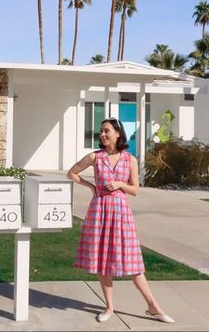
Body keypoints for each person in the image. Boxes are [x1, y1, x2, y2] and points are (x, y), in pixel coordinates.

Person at [67, 117, 175, 324]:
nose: (102, 134)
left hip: (121, 214)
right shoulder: (94, 157)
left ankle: (153, 306)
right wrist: (91, 187)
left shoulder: (130, 159)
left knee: (132, 262)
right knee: (103, 262)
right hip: (99, 212)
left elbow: (135, 189)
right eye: (101, 131)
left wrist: (120, 184)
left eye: (106, 131)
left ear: (118, 134)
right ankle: (109, 307)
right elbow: (71, 173)